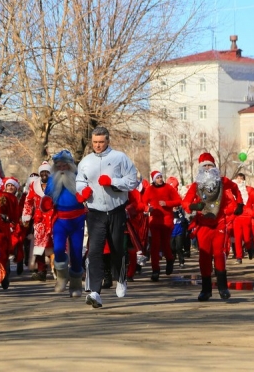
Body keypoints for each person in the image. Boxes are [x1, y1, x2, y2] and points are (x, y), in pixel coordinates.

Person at [76, 126, 138, 308]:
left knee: (117, 249)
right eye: (95, 142)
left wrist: (113, 182)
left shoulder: (119, 158)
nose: (98, 145)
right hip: (95, 212)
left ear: (107, 141)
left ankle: (121, 278)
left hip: (116, 210)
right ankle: (95, 292)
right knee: (94, 251)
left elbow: (132, 180)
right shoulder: (86, 161)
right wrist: (82, 191)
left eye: (101, 142)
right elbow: (79, 181)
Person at [182, 152, 243, 301]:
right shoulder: (196, 185)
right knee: (204, 256)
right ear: (201, 169)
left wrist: (240, 203)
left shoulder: (223, 181)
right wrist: (192, 206)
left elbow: (235, 188)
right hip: (203, 224)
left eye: (210, 165)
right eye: (205, 166)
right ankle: (206, 290)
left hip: (219, 223)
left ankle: (223, 288)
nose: (208, 168)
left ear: (215, 167)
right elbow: (184, 202)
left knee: (219, 254)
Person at [42, 150, 86, 297]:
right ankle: (61, 276)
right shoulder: (51, 180)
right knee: (59, 249)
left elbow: (86, 194)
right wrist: (45, 203)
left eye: (64, 165)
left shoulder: (78, 178)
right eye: (58, 166)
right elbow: (46, 198)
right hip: (60, 219)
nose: (61, 168)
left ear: (70, 166)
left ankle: (76, 285)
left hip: (77, 219)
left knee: (76, 252)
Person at [142, 170, 182, 281]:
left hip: (166, 220)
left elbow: (179, 201)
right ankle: (155, 270)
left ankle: (170, 259)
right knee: (154, 246)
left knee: (165, 245)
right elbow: (143, 202)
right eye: (157, 177)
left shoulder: (169, 188)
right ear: (154, 179)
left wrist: (167, 203)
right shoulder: (150, 190)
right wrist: (147, 208)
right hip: (154, 221)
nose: (160, 179)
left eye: (161, 177)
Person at [22, 161, 54, 281]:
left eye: (47, 172)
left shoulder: (56, 185)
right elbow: (28, 201)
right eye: (42, 172)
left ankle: (59, 269)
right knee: (39, 246)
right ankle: (41, 270)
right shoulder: (33, 186)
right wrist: (26, 215)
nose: (45, 174)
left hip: (54, 218)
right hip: (39, 220)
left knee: (56, 244)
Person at [232, 173, 254, 264]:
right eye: (237, 178)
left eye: (241, 178)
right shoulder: (232, 190)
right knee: (237, 238)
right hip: (236, 216)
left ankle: (249, 249)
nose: (239, 180)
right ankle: (239, 257)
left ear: (244, 180)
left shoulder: (249, 189)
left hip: (247, 216)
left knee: (247, 238)